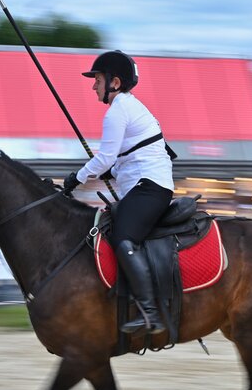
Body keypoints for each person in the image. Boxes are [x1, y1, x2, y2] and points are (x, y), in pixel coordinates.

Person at [62, 50, 174, 335]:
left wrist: (75, 179)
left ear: (114, 82)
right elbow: (122, 161)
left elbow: (105, 159)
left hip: (148, 187)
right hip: (146, 185)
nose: (93, 85)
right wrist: (107, 172)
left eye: (97, 79)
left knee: (124, 238)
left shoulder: (118, 111)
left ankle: (151, 313)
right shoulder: (129, 107)